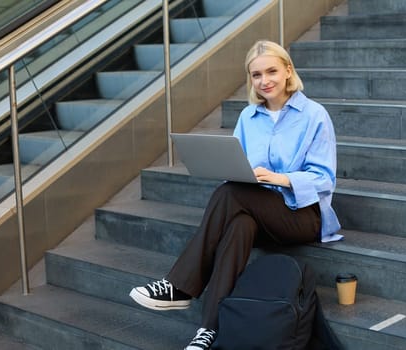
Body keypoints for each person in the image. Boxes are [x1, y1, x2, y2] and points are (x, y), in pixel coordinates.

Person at [129, 40, 342, 350]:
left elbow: (324, 179)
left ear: (288, 71)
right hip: (256, 209)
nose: (264, 80)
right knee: (239, 225)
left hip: (302, 214)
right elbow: (238, 168)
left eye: (271, 71)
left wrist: (280, 179)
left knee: (230, 194)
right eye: (256, 75)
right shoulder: (248, 117)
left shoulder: (314, 115)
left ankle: (180, 287)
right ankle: (208, 330)